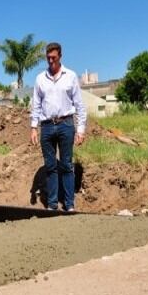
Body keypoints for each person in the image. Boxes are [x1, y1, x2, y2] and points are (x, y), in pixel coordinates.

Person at [30, 42, 86, 212]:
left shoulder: (71, 76)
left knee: (67, 165)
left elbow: (80, 105)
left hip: (66, 124)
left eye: (53, 57)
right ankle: (52, 205)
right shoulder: (40, 78)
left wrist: (81, 129)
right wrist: (33, 127)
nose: (51, 61)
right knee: (50, 166)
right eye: (48, 58)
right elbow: (36, 104)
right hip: (46, 126)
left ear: (60, 56)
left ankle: (69, 204)